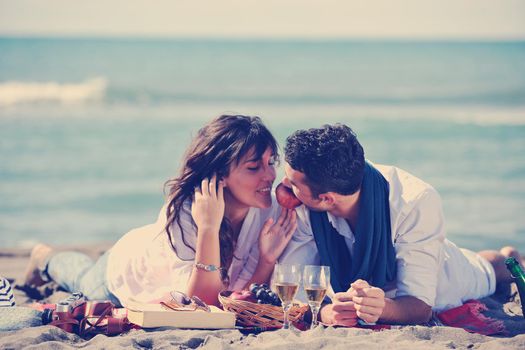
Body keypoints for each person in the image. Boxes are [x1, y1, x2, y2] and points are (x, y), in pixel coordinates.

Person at [24, 115, 297, 307]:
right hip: (126, 272)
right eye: (254, 167)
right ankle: (45, 258)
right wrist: (209, 228)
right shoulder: (187, 212)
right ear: (219, 174)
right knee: (81, 280)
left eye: (270, 162)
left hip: (168, 265)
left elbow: (243, 299)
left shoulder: (267, 209)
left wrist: (266, 260)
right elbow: (202, 303)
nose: (269, 175)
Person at [279, 123, 524, 326]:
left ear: (326, 199)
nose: (284, 185)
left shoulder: (415, 201)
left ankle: (509, 256)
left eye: (293, 182)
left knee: (490, 268)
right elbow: (293, 282)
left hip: (445, 276)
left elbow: (420, 307)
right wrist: (324, 312)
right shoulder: (305, 203)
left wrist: (382, 308)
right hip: (400, 267)